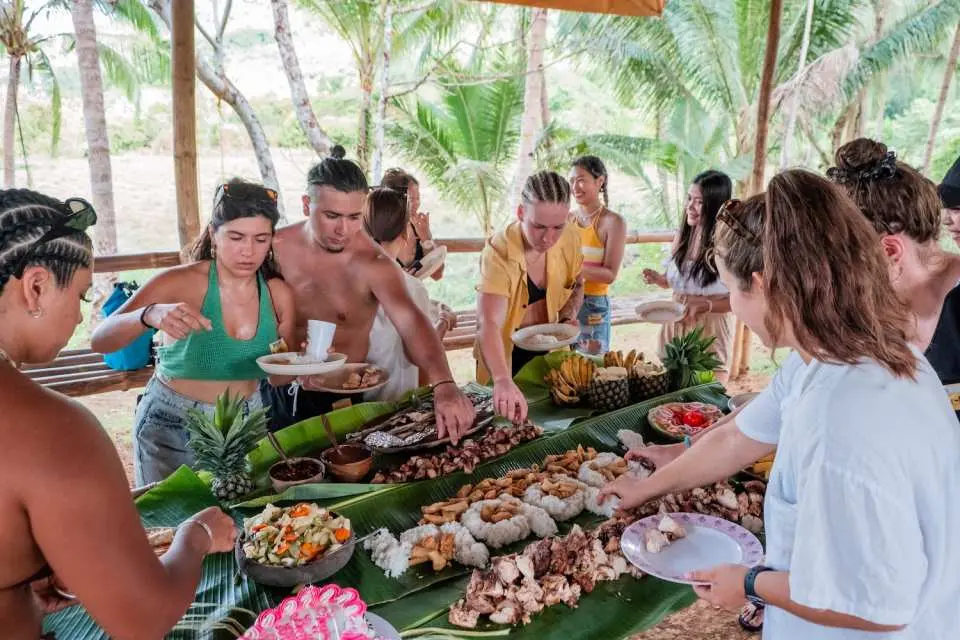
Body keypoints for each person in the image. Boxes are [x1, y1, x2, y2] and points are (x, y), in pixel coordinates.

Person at [602, 172, 960, 638]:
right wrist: (646, 488)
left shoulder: (844, 416)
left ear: (764, 284)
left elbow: (879, 605)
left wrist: (752, 584)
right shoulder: (835, 354)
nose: (733, 305)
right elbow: (737, 436)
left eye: (732, 289)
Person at [0, 189, 236, 639]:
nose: (77, 317)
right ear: (35, 286)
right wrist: (195, 537)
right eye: (83, 296)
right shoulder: (50, 429)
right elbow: (144, 618)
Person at [91, 179, 297, 486]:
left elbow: (278, 376)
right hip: (172, 422)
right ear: (214, 233)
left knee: (241, 528)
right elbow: (101, 339)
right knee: (170, 528)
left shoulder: (277, 294)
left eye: (260, 239)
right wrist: (148, 315)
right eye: (236, 237)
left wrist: (306, 370)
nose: (248, 251)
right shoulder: (181, 282)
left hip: (245, 427)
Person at [268, 146, 475, 439]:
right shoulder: (273, 249)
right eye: (331, 215)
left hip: (345, 396)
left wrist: (445, 384)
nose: (344, 229)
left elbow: (411, 322)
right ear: (305, 204)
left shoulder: (373, 263)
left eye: (354, 217)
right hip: (280, 389)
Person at [476, 170, 584, 424]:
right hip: (504, 359)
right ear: (521, 213)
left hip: (554, 352)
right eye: (538, 226)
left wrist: (568, 316)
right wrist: (502, 380)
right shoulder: (497, 253)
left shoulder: (570, 238)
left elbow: (578, 284)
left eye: (558, 226)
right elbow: (488, 323)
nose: (549, 238)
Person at [362, 187, 456, 401]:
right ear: (405, 233)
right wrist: (444, 321)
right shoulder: (411, 286)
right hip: (396, 398)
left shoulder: (353, 277)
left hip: (358, 402)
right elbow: (418, 354)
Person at [643, 170, 734, 382]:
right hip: (675, 319)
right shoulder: (682, 236)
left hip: (710, 324)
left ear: (716, 205)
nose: (690, 207)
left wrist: (706, 305)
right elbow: (675, 282)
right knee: (669, 385)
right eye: (689, 198)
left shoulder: (726, 245)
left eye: (699, 202)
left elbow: (737, 300)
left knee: (707, 389)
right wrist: (658, 279)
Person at [569, 155, 626, 354]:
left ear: (599, 181)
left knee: (593, 367)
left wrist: (572, 269)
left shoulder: (613, 222)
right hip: (564, 302)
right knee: (566, 372)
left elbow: (609, 275)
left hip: (593, 305)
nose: (575, 186)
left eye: (581, 180)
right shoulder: (567, 220)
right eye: (572, 181)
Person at [381, 167, 444, 280]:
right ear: (392, 200)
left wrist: (426, 238)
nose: (416, 204)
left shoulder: (417, 229)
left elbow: (437, 275)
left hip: (413, 296)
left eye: (418, 198)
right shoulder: (377, 232)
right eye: (411, 199)